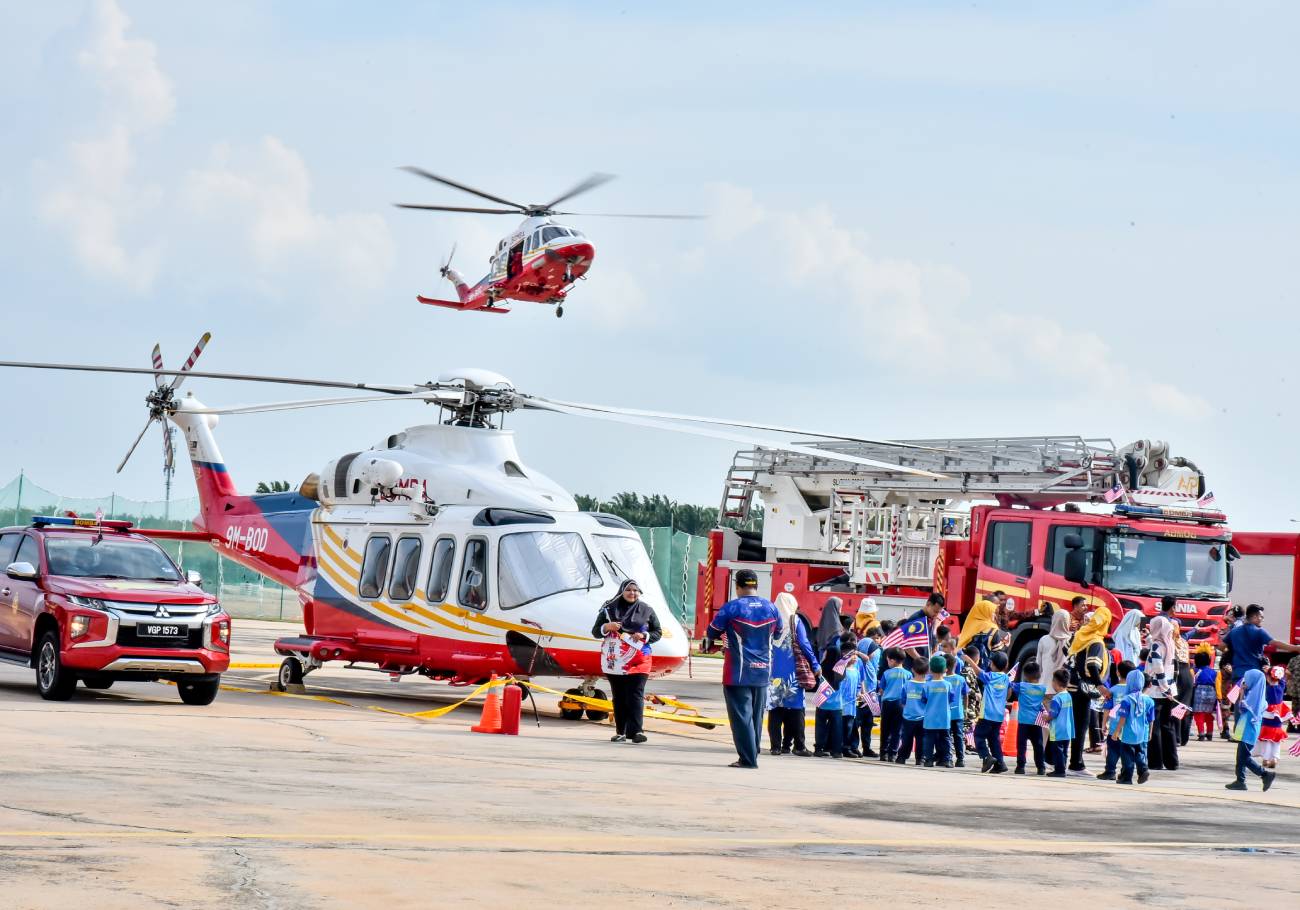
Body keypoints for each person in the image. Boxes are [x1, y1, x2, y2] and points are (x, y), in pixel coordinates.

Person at [704, 569, 782, 769]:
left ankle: (747, 759)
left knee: (741, 717)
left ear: (737, 586)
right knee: (756, 717)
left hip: (737, 671)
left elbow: (711, 632)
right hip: (764, 670)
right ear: (756, 585)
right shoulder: (771, 607)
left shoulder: (731, 607)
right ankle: (752, 751)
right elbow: (778, 633)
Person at [592, 579, 661, 744]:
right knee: (620, 696)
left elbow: (657, 632)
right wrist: (606, 627)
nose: (632, 593)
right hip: (615, 659)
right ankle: (620, 732)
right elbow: (595, 631)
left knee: (635, 694)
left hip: (640, 659)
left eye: (636, 590)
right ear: (622, 591)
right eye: (629, 590)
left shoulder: (647, 610)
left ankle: (636, 731)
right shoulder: (609, 610)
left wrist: (644, 636)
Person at [766, 592, 820, 757]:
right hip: (792, 671)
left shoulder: (769, 619)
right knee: (796, 709)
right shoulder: (794, 620)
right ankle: (799, 745)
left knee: (775, 709)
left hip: (773, 671)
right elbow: (804, 644)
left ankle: (775, 747)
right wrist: (815, 663)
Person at [1065, 604, 1111, 773]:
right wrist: (1100, 685)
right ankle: (1076, 764)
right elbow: (1092, 665)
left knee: (1069, 724)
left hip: (1070, 685)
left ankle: (1057, 757)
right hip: (1083, 689)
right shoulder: (1096, 642)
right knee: (1081, 725)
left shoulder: (1080, 635)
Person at [1226, 668, 1277, 792]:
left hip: (1249, 731)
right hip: (1245, 729)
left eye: (1247, 679)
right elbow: (1241, 707)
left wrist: (1242, 692)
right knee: (1240, 756)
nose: (1244, 681)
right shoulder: (1254, 696)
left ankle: (1265, 774)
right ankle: (1240, 781)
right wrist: (1243, 692)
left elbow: (1242, 707)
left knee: (1244, 757)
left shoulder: (1254, 700)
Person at [962, 649, 1011, 774]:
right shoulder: (1006, 679)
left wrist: (969, 660)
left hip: (987, 714)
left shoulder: (990, 677)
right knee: (993, 739)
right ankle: (1000, 764)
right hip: (998, 715)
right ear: (1005, 666)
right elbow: (1009, 693)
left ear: (992, 664)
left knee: (978, 735)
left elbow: (978, 672)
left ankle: (986, 756)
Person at [1224, 604, 1300, 682]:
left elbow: (1221, 647)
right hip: (1254, 674)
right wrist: (1296, 648)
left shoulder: (1233, 632)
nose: (1262, 620)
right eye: (1261, 617)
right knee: (1254, 694)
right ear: (1254, 617)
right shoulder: (1259, 631)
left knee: (1238, 694)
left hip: (1237, 674)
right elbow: (1275, 643)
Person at [1095, 660, 1137, 781]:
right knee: (1127, 751)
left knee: (1112, 750)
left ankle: (1110, 771)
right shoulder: (1134, 691)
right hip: (1129, 727)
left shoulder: (1112, 690)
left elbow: (1107, 709)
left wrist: (1104, 724)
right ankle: (1126, 773)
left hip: (1114, 727)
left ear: (1118, 672)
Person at [1114, 669, 1154, 786]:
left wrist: (1116, 731)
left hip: (1128, 733)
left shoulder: (1126, 700)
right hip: (1142, 733)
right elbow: (1151, 719)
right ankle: (1143, 770)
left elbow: (1123, 718)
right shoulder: (1149, 700)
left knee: (1127, 756)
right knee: (1140, 753)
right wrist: (1150, 732)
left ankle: (1126, 777)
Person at [1010, 660, 1048, 775]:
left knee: (1021, 745)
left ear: (1025, 675)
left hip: (1023, 722)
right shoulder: (1043, 689)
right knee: (1038, 745)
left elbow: (1010, 684)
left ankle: (1020, 767)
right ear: (1039, 674)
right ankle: (1041, 767)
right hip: (1036, 722)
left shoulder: (1022, 686)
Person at [814, 634, 848, 758]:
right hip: (836, 705)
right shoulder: (841, 670)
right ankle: (836, 751)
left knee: (821, 727)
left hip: (822, 703)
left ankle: (819, 748)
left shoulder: (822, 668)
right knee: (837, 728)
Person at [853, 625, 884, 757]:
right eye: (876, 638)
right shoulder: (859, 662)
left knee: (868, 721)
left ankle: (867, 747)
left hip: (871, 690)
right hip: (861, 692)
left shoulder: (869, 660)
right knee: (857, 721)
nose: (877, 642)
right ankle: (853, 746)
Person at [1255, 665, 1290, 770]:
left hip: (1268, 715)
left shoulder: (1268, 689)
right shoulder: (1281, 687)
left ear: (1268, 677)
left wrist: (1266, 673)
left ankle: (1265, 759)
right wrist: (1270, 671)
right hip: (1278, 715)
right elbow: (1282, 680)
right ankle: (1275, 758)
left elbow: (1268, 682)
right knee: (1276, 739)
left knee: (1267, 738)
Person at [922, 655, 954, 768]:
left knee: (929, 739)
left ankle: (928, 760)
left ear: (930, 669)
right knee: (946, 739)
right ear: (945, 669)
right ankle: (947, 760)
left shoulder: (927, 685)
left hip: (930, 718)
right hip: (944, 717)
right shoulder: (948, 685)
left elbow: (923, 699)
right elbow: (951, 699)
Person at [836, 633, 865, 757]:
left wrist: (860, 693)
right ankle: (843, 747)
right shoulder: (840, 669)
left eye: (855, 654)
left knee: (850, 727)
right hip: (842, 705)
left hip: (852, 706)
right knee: (843, 727)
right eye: (852, 655)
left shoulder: (856, 670)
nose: (855, 657)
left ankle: (849, 746)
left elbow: (858, 685)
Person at [878, 648, 908, 762]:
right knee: (897, 730)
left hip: (887, 703)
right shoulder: (908, 674)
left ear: (893, 660)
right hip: (901, 704)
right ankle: (893, 754)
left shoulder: (886, 673)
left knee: (885, 729)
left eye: (888, 661)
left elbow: (881, 690)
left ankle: (883, 753)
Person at [901, 592, 945, 671]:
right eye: (935, 611)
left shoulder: (929, 619)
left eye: (939, 612)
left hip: (923, 666)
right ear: (928, 604)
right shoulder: (916, 619)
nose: (937, 615)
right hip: (913, 667)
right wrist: (920, 660)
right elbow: (906, 644)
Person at [895, 661, 928, 765]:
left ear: (912, 670)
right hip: (923, 717)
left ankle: (901, 757)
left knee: (906, 739)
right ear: (927, 671)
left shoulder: (907, 684)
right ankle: (920, 758)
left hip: (908, 716)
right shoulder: (927, 685)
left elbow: (903, 700)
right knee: (921, 739)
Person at [957, 596, 1001, 668]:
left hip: (966, 667)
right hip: (984, 670)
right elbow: (997, 653)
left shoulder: (969, 626)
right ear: (987, 612)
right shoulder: (993, 630)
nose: (994, 615)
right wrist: (1004, 644)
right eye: (993, 612)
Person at [1046, 669, 1075, 777]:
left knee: (1057, 751)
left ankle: (1059, 770)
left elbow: (1052, 714)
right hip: (1067, 729)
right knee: (1064, 751)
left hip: (1057, 729)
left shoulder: (1056, 699)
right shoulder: (1068, 696)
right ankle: (1063, 768)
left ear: (1055, 682)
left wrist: (1046, 717)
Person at [943, 653, 969, 768]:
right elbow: (966, 695)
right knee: (958, 736)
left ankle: (947, 758)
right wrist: (966, 709)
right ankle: (960, 759)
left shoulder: (942, 680)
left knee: (947, 736)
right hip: (958, 713)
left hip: (945, 713)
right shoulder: (961, 679)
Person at [1035, 608, 1072, 686]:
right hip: (1060, 690)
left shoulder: (1044, 639)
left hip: (1043, 686)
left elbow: (1038, 665)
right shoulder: (1071, 641)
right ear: (1067, 622)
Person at [1191, 650, 1218, 741]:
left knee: (1199, 714)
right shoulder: (1213, 672)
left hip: (1199, 693)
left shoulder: (1195, 671)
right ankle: (1209, 733)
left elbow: (1193, 683)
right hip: (1212, 693)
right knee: (1209, 714)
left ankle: (1201, 733)